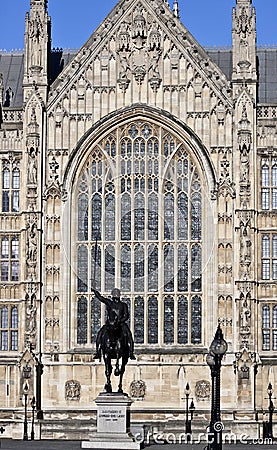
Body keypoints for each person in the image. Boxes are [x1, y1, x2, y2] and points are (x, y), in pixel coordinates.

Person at [93, 288, 136, 361]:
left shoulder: (123, 305)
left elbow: (126, 316)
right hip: (110, 324)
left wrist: (119, 321)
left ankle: (131, 353)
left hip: (120, 324)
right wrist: (95, 291)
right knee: (100, 334)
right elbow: (100, 298)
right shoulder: (110, 303)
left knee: (129, 336)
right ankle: (98, 352)